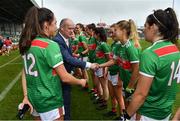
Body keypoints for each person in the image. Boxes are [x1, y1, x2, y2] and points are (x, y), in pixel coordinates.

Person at [19, 6, 86, 120]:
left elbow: (24, 74)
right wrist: (81, 81)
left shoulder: (27, 44)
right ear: (46, 25)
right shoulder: (50, 45)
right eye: (54, 23)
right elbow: (64, 77)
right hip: (50, 101)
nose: (56, 27)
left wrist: (26, 96)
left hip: (34, 100)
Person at [120, 8, 180, 121]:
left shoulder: (150, 53)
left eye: (145, 25)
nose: (143, 30)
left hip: (148, 113)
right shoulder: (175, 49)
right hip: (165, 113)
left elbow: (141, 94)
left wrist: (126, 116)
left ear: (153, 27)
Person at [53, 18, 98, 120]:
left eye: (73, 28)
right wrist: (90, 65)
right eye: (69, 28)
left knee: (66, 102)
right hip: (62, 77)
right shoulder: (58, 41)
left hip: (66, 74)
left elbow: (68, 56)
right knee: (64, 103)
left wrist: (72, 57)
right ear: (61, 28)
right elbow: (68, 59)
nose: (72, 31)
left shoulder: (66, 38)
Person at [99, 19, 141, 119]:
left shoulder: (130, 47)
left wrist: (130, 87)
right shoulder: (119, 46)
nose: (113, 33)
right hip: (126, 83)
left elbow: (137, 69)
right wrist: (100, 65)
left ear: (123, 31)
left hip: (134, 85)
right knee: (127, 107)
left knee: (135, 110)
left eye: (116, 30)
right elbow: (114, 61)